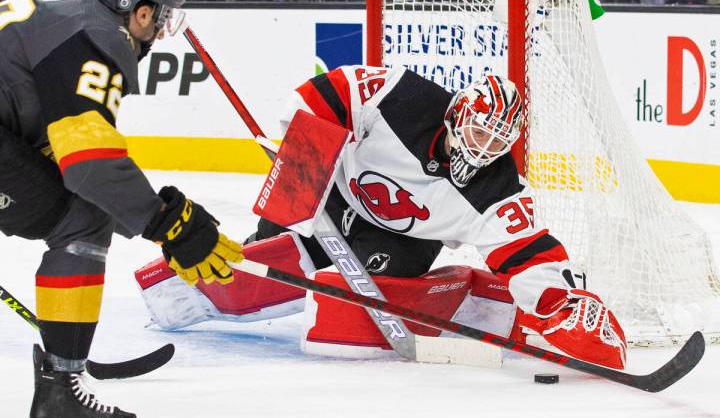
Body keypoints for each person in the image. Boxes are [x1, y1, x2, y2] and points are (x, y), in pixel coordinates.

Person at [243, 66, 628, 370]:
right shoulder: (403, 96)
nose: (484, 149)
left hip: (407, 238)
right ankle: (240, 264)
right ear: (457, 117)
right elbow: (329, 92)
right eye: (479, 133)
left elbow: (526, 253)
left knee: (382, 276)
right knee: (271, 248)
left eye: (497, 141)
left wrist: (563, 304)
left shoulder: (499, 189)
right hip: (335, 195)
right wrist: (303, 157)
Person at [0, 0, 244, 417]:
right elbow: (89, 165)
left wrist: (153, 216)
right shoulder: (98, 37)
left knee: (80, 206)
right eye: (163, 16)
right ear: (142, 10)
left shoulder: (68, 16)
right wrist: (167, 225)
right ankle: (59, 395)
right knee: (83, 221)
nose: (160, 30)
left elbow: (61, 154)